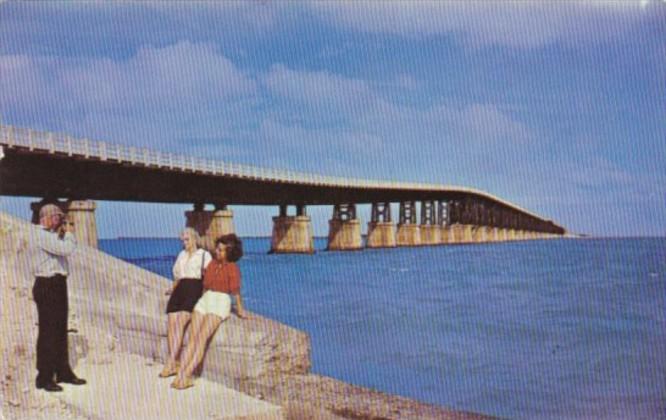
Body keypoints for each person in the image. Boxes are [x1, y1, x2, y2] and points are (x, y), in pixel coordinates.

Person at [171, 234, 248, 390]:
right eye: (217, 249)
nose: (217, 252)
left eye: (221, 250)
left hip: (220, 302)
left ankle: (186, 375)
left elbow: (235, 291)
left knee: (201, 340)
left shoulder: (233, 268)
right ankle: (179, 377)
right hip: (206, 299)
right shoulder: (212, 264)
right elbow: (205, 285)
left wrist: (240, 310)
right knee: (192, 340)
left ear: (229, 252)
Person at [31, 204, 86, 392]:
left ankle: (63, 371)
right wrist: (69, 233)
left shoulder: (51, 234)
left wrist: (62, 232)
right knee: (48, 331)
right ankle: (44, 376)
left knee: (60, 328)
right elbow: (65, 249)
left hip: (58, 283)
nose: (59, 220)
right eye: (56, 217)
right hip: (46, 284)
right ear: (45, 217)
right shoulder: (40, 234)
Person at [160, 228, 212, 378]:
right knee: (171, 323)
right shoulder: (181, 255)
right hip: (180, 289)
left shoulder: (204, 255)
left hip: (194, 289)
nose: (185, 243)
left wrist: (205, 296)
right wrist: (172, 289)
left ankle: (170, 363)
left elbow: (207, 278)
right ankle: (174, 362)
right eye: (183, 240)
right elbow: (177, 276)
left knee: (180, 324)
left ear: (195, 239)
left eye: (187, 239)